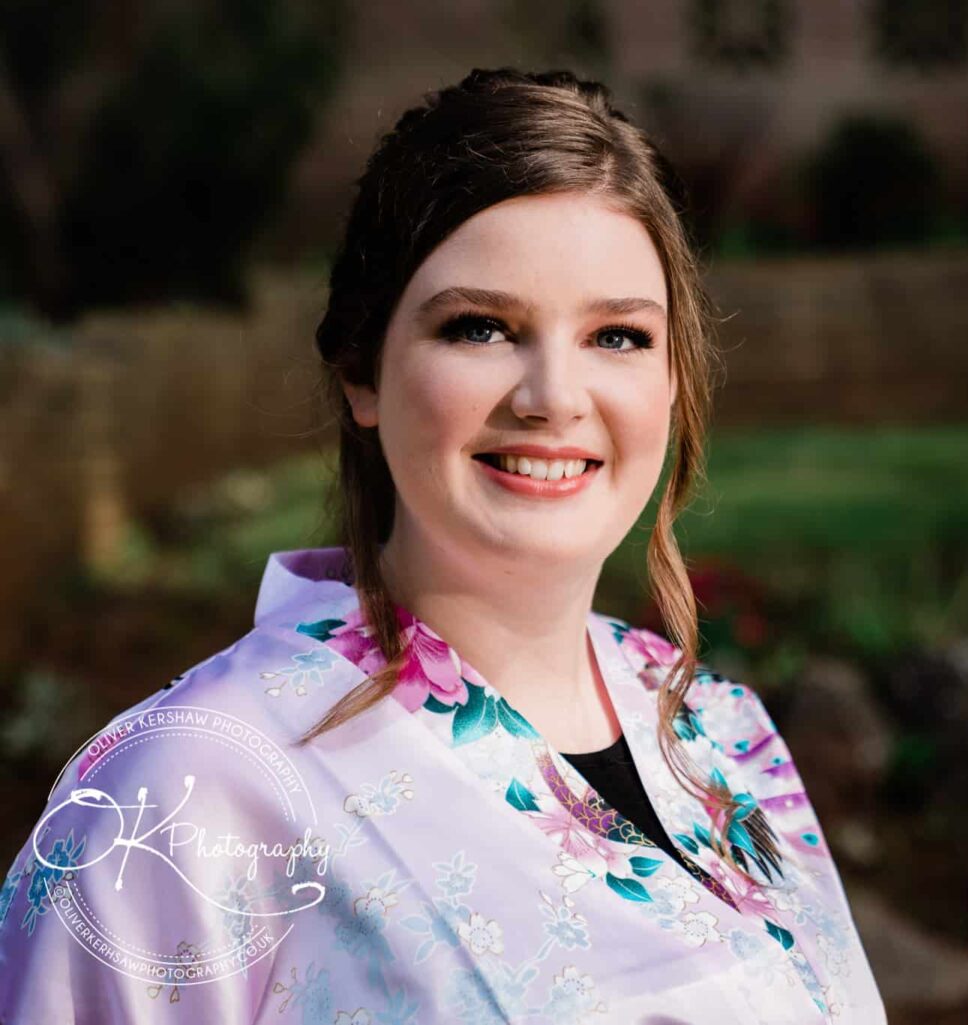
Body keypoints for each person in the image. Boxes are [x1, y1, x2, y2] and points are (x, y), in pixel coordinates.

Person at [0, 68, 886, 1023]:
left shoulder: (714, 735)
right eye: (481, 327)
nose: (553, 395)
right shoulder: (185, 793)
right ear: (362, 371)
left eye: (618, 337)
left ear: (674, 379)